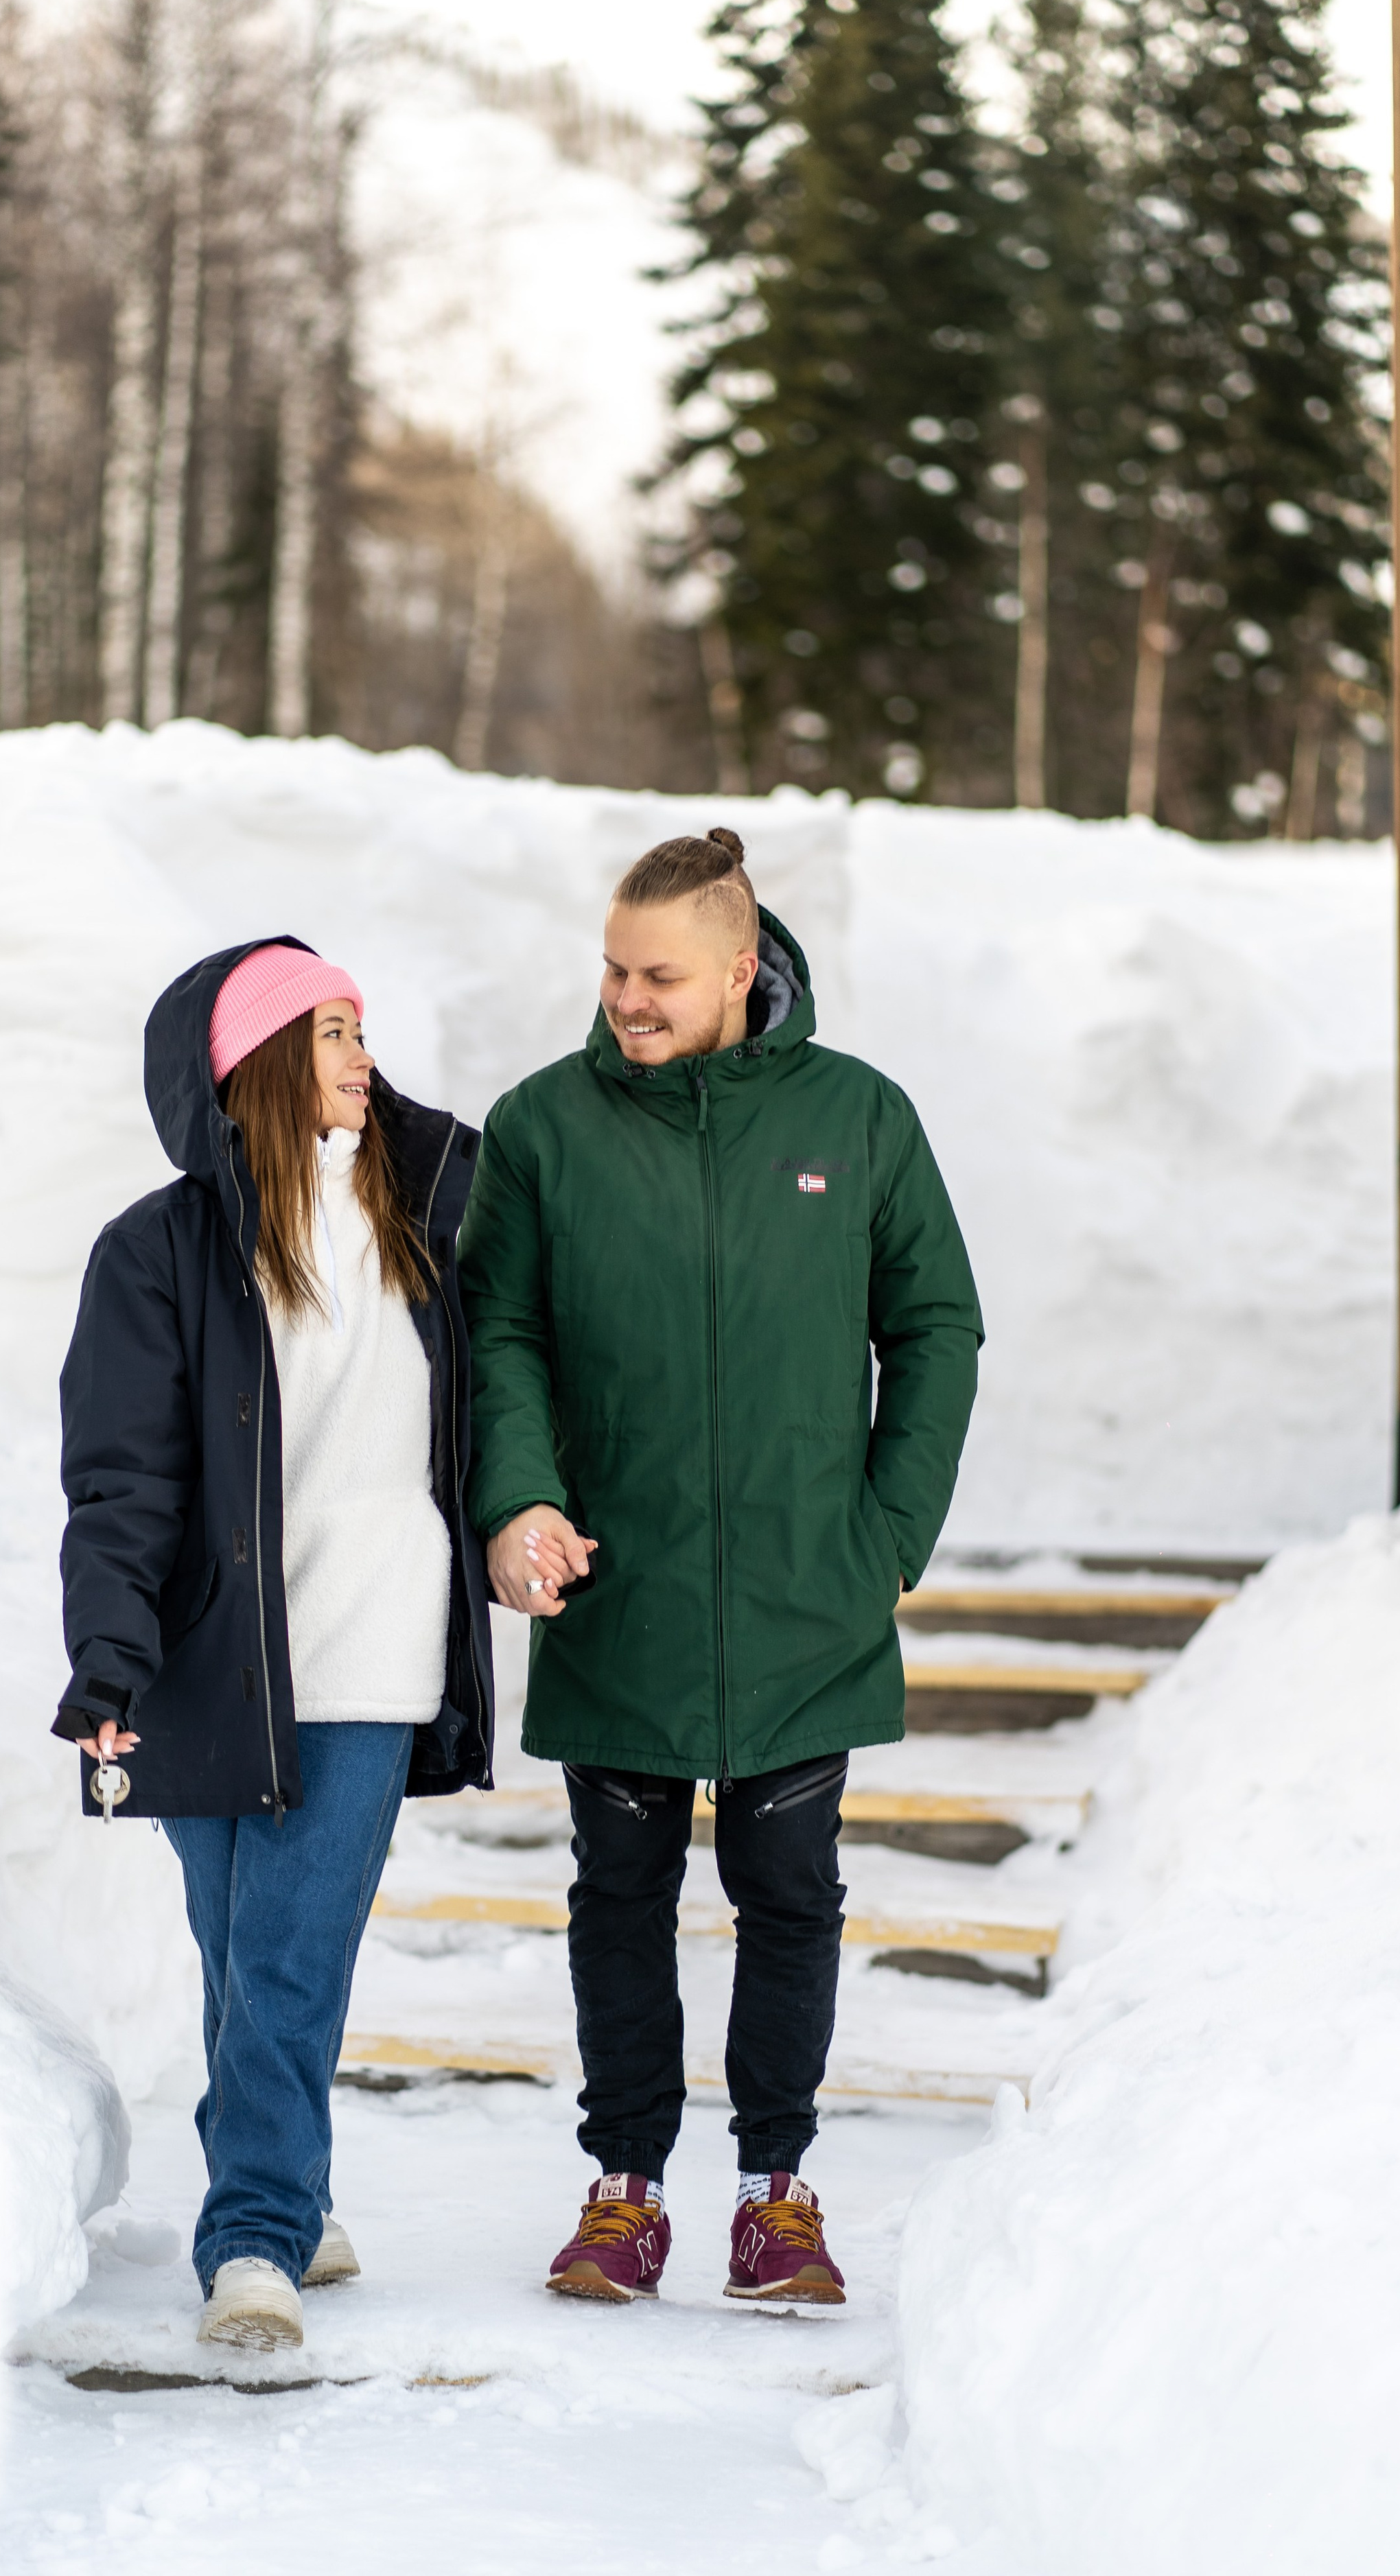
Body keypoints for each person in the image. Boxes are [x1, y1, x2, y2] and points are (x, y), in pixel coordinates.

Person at [459, 829, 981, 2306]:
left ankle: (776, 2193)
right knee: (616, 1894)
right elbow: (499, 1335)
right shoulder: (544, 1127)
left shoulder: (857, 1117)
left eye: (659, 974)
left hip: (802, 1602)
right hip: (618, 1591)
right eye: (614, 968)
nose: (626, 997)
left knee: (789, 1894)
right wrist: (518, 1502)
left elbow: (934, 1324)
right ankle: (622, 2191)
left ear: (741, 969)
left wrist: (883, 1536)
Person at [55, 938, 491, 2353]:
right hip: (209, 1657)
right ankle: (290, 2192)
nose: (365, 1055)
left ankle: (250, 2235)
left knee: (293, 1952)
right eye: (331, 1031)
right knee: (238, 1951)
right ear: (252, 1067)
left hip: (370, 1637)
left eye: (364, 1027)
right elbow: (122, 1480)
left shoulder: (433, 1214)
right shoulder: (156, 1252)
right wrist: (109, 1658)